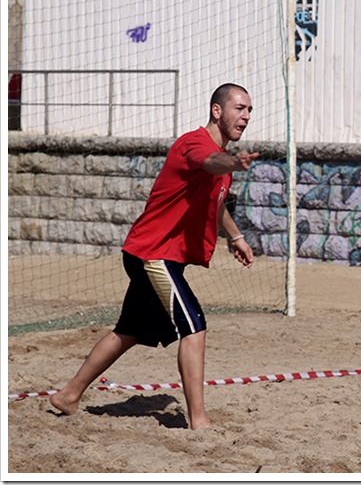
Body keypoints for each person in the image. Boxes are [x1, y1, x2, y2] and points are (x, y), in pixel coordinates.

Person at [50, 83, 261, 429]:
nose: (246, 116)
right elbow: (208, 162)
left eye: (250, 110)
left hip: (154, 254)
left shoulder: (222, 160)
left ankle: (68, 395)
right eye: (240, 108)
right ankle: (199, 421)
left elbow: (216, 203)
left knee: (128, 332)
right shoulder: (196, 144)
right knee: (194, 328)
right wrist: (232, 162)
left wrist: (235, 237)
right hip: (153, 254)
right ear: (217, 111)